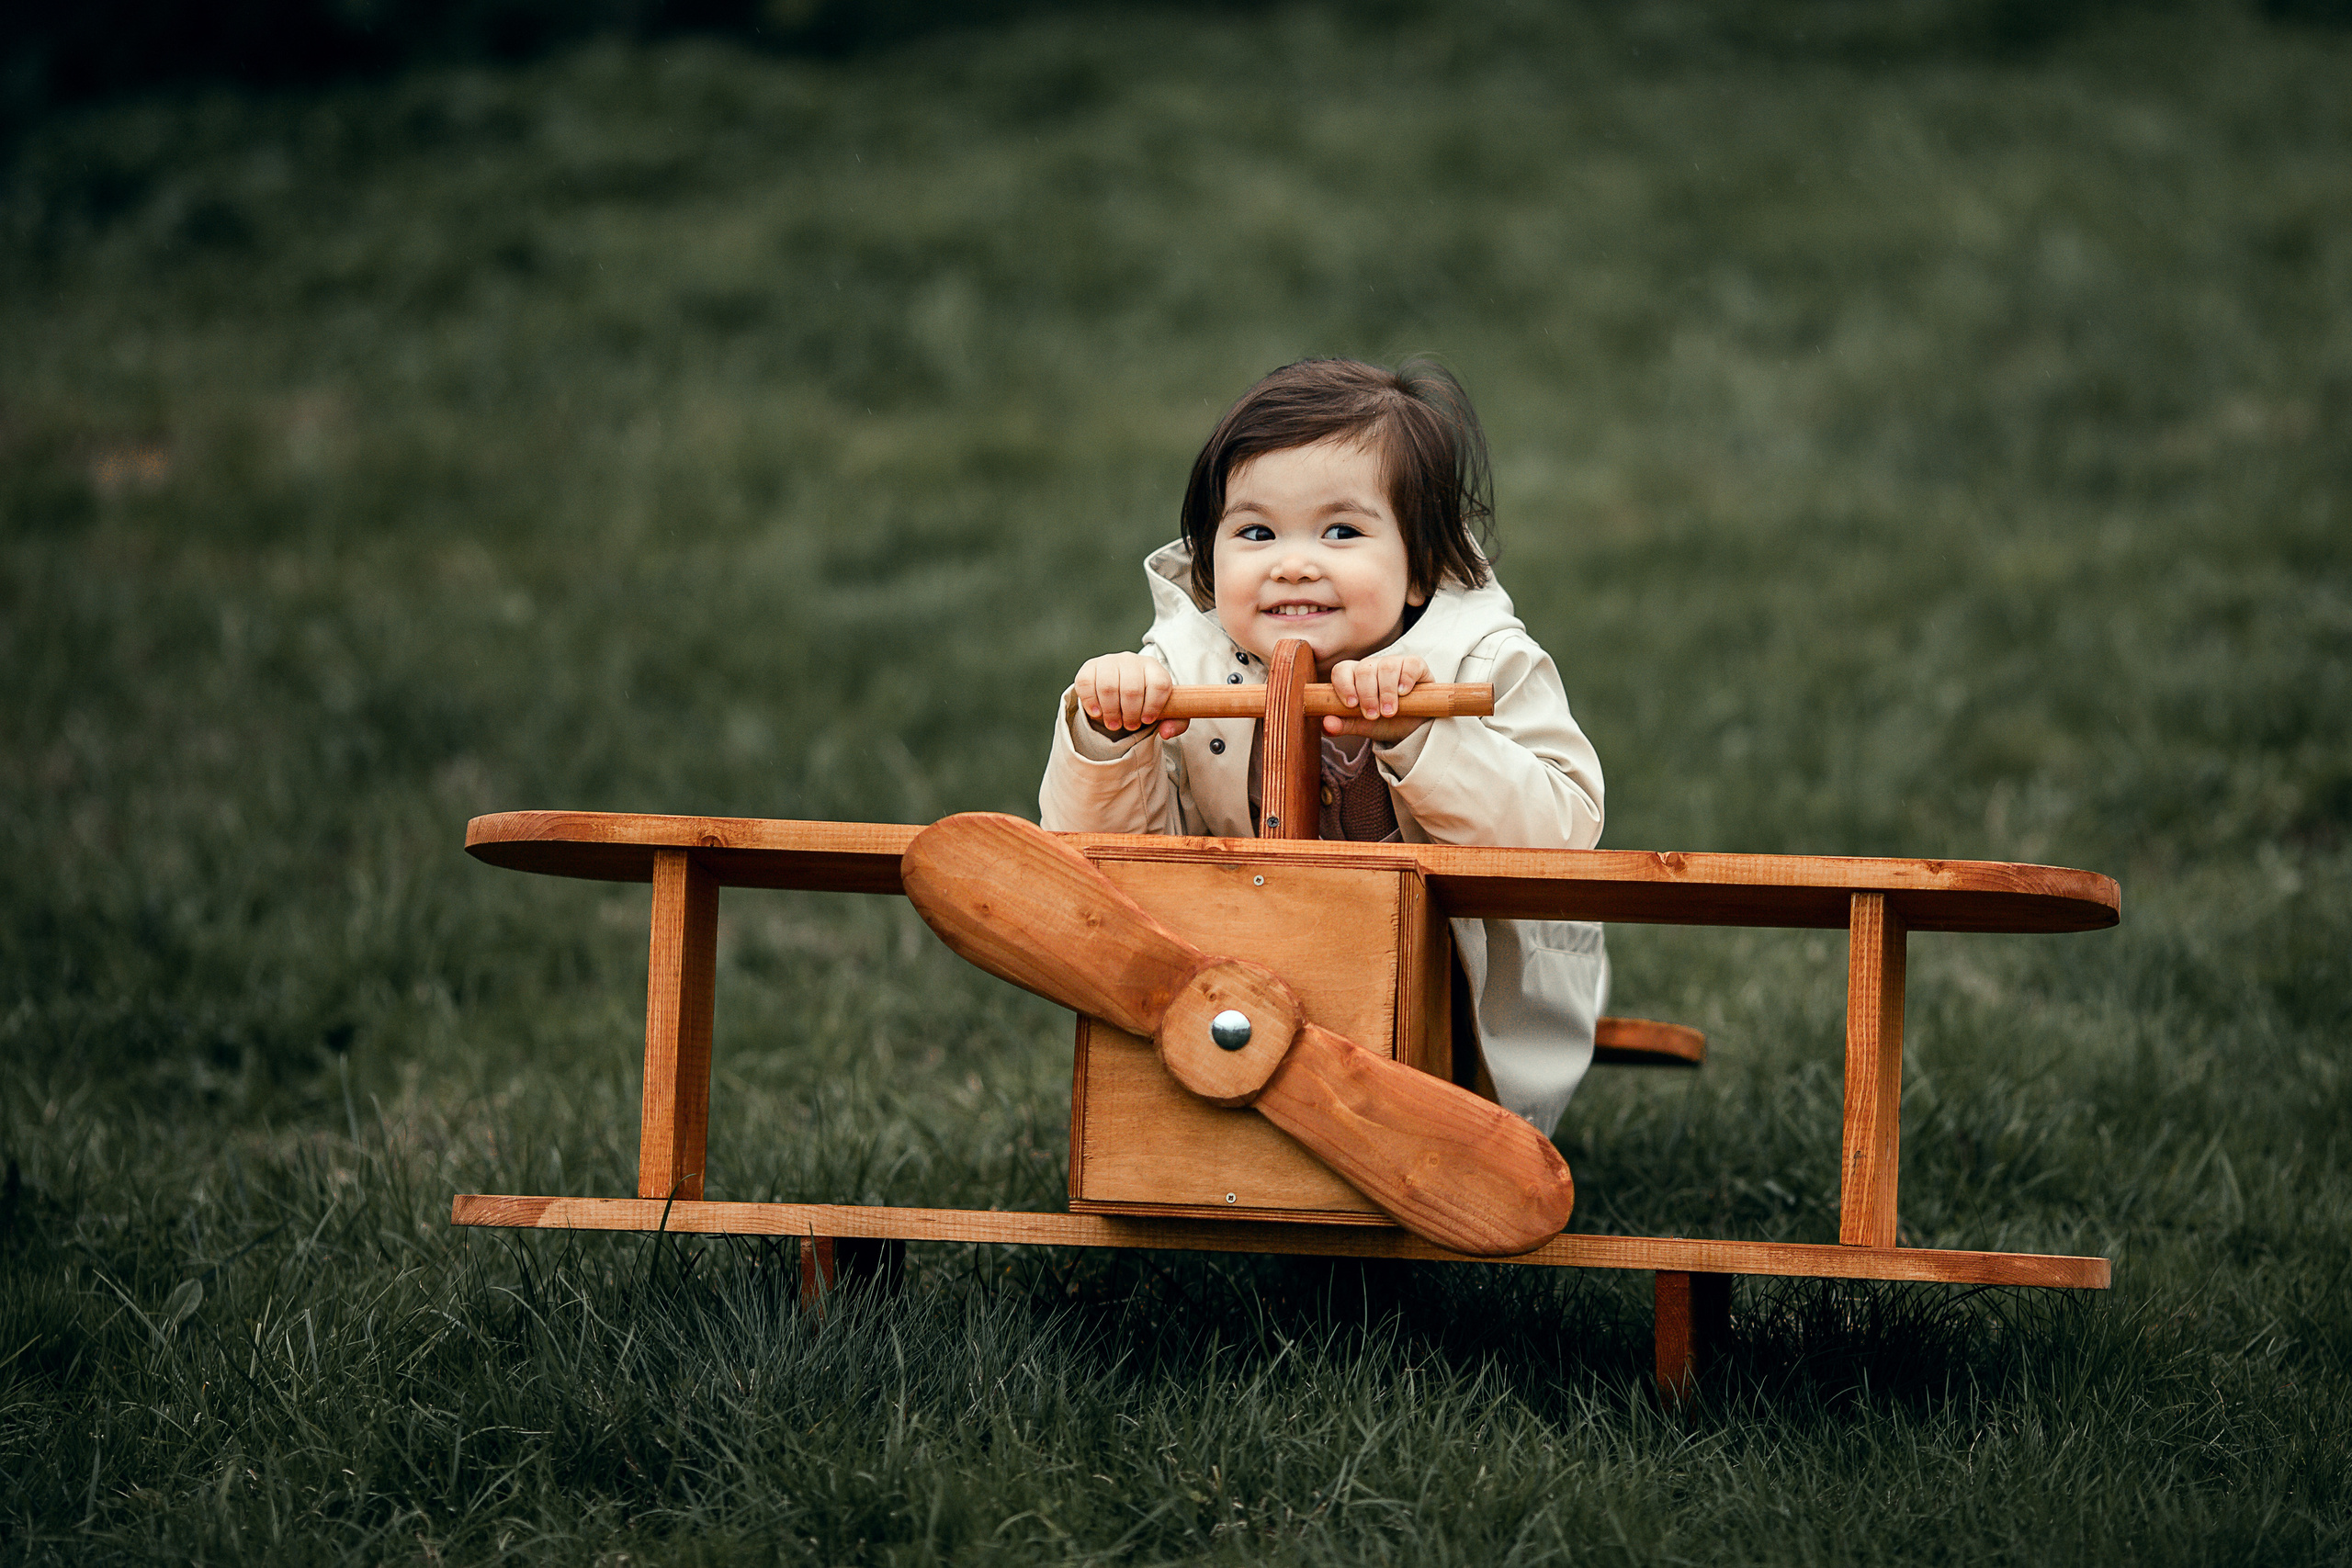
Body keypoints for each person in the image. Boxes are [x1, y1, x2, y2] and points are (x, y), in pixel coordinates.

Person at [1038, 357, 1609, 1136]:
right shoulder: (1179, 672)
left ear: (1421, 569)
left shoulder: (1480, 660)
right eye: (1256, 531)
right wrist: (1108, 739)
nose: (1293, 561)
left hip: (1448, 1009)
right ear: (1210, 559)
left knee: (1406, 1052)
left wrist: (1422, 736)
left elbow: (1564, 834)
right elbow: (1104, 875)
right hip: (1252, 988)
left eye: (1342, 531)